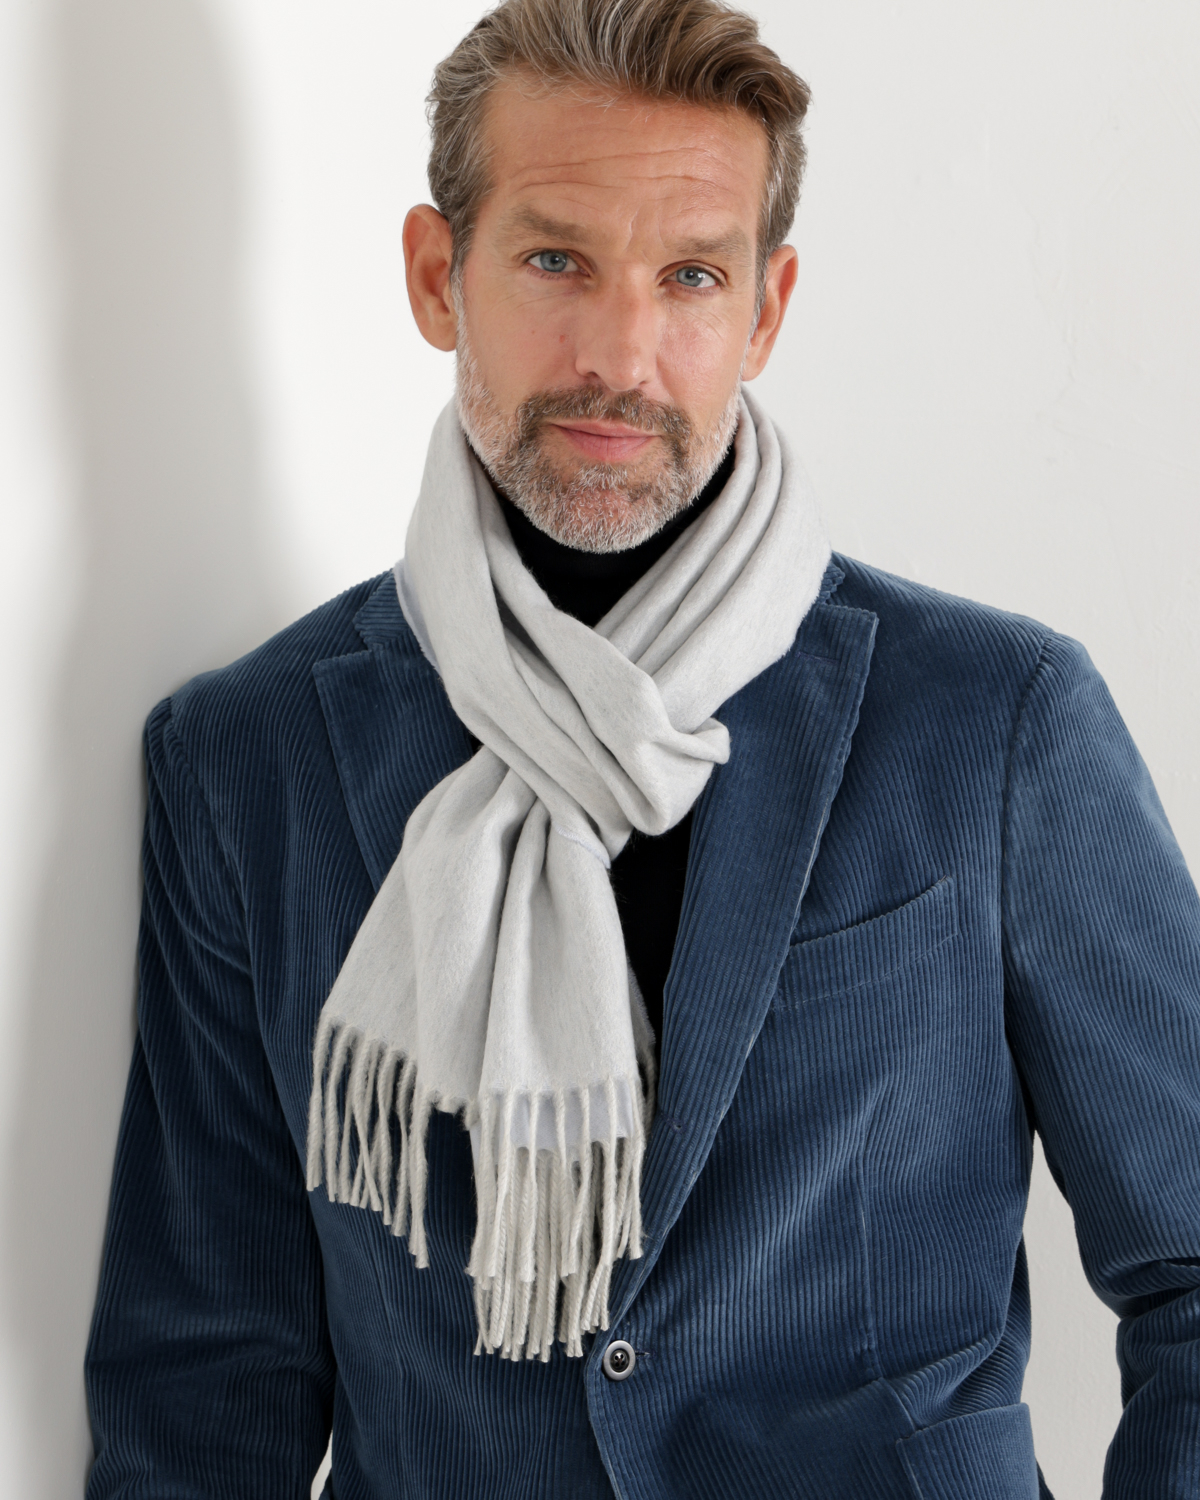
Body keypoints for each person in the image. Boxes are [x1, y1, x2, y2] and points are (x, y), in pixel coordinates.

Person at [84, 1, 1200, 1496]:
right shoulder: (248, 759)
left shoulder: (996, 719)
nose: (622, 354)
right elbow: (207, 1382)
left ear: (766, 310)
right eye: (557, 261)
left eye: (690, 277)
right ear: (437, 275)